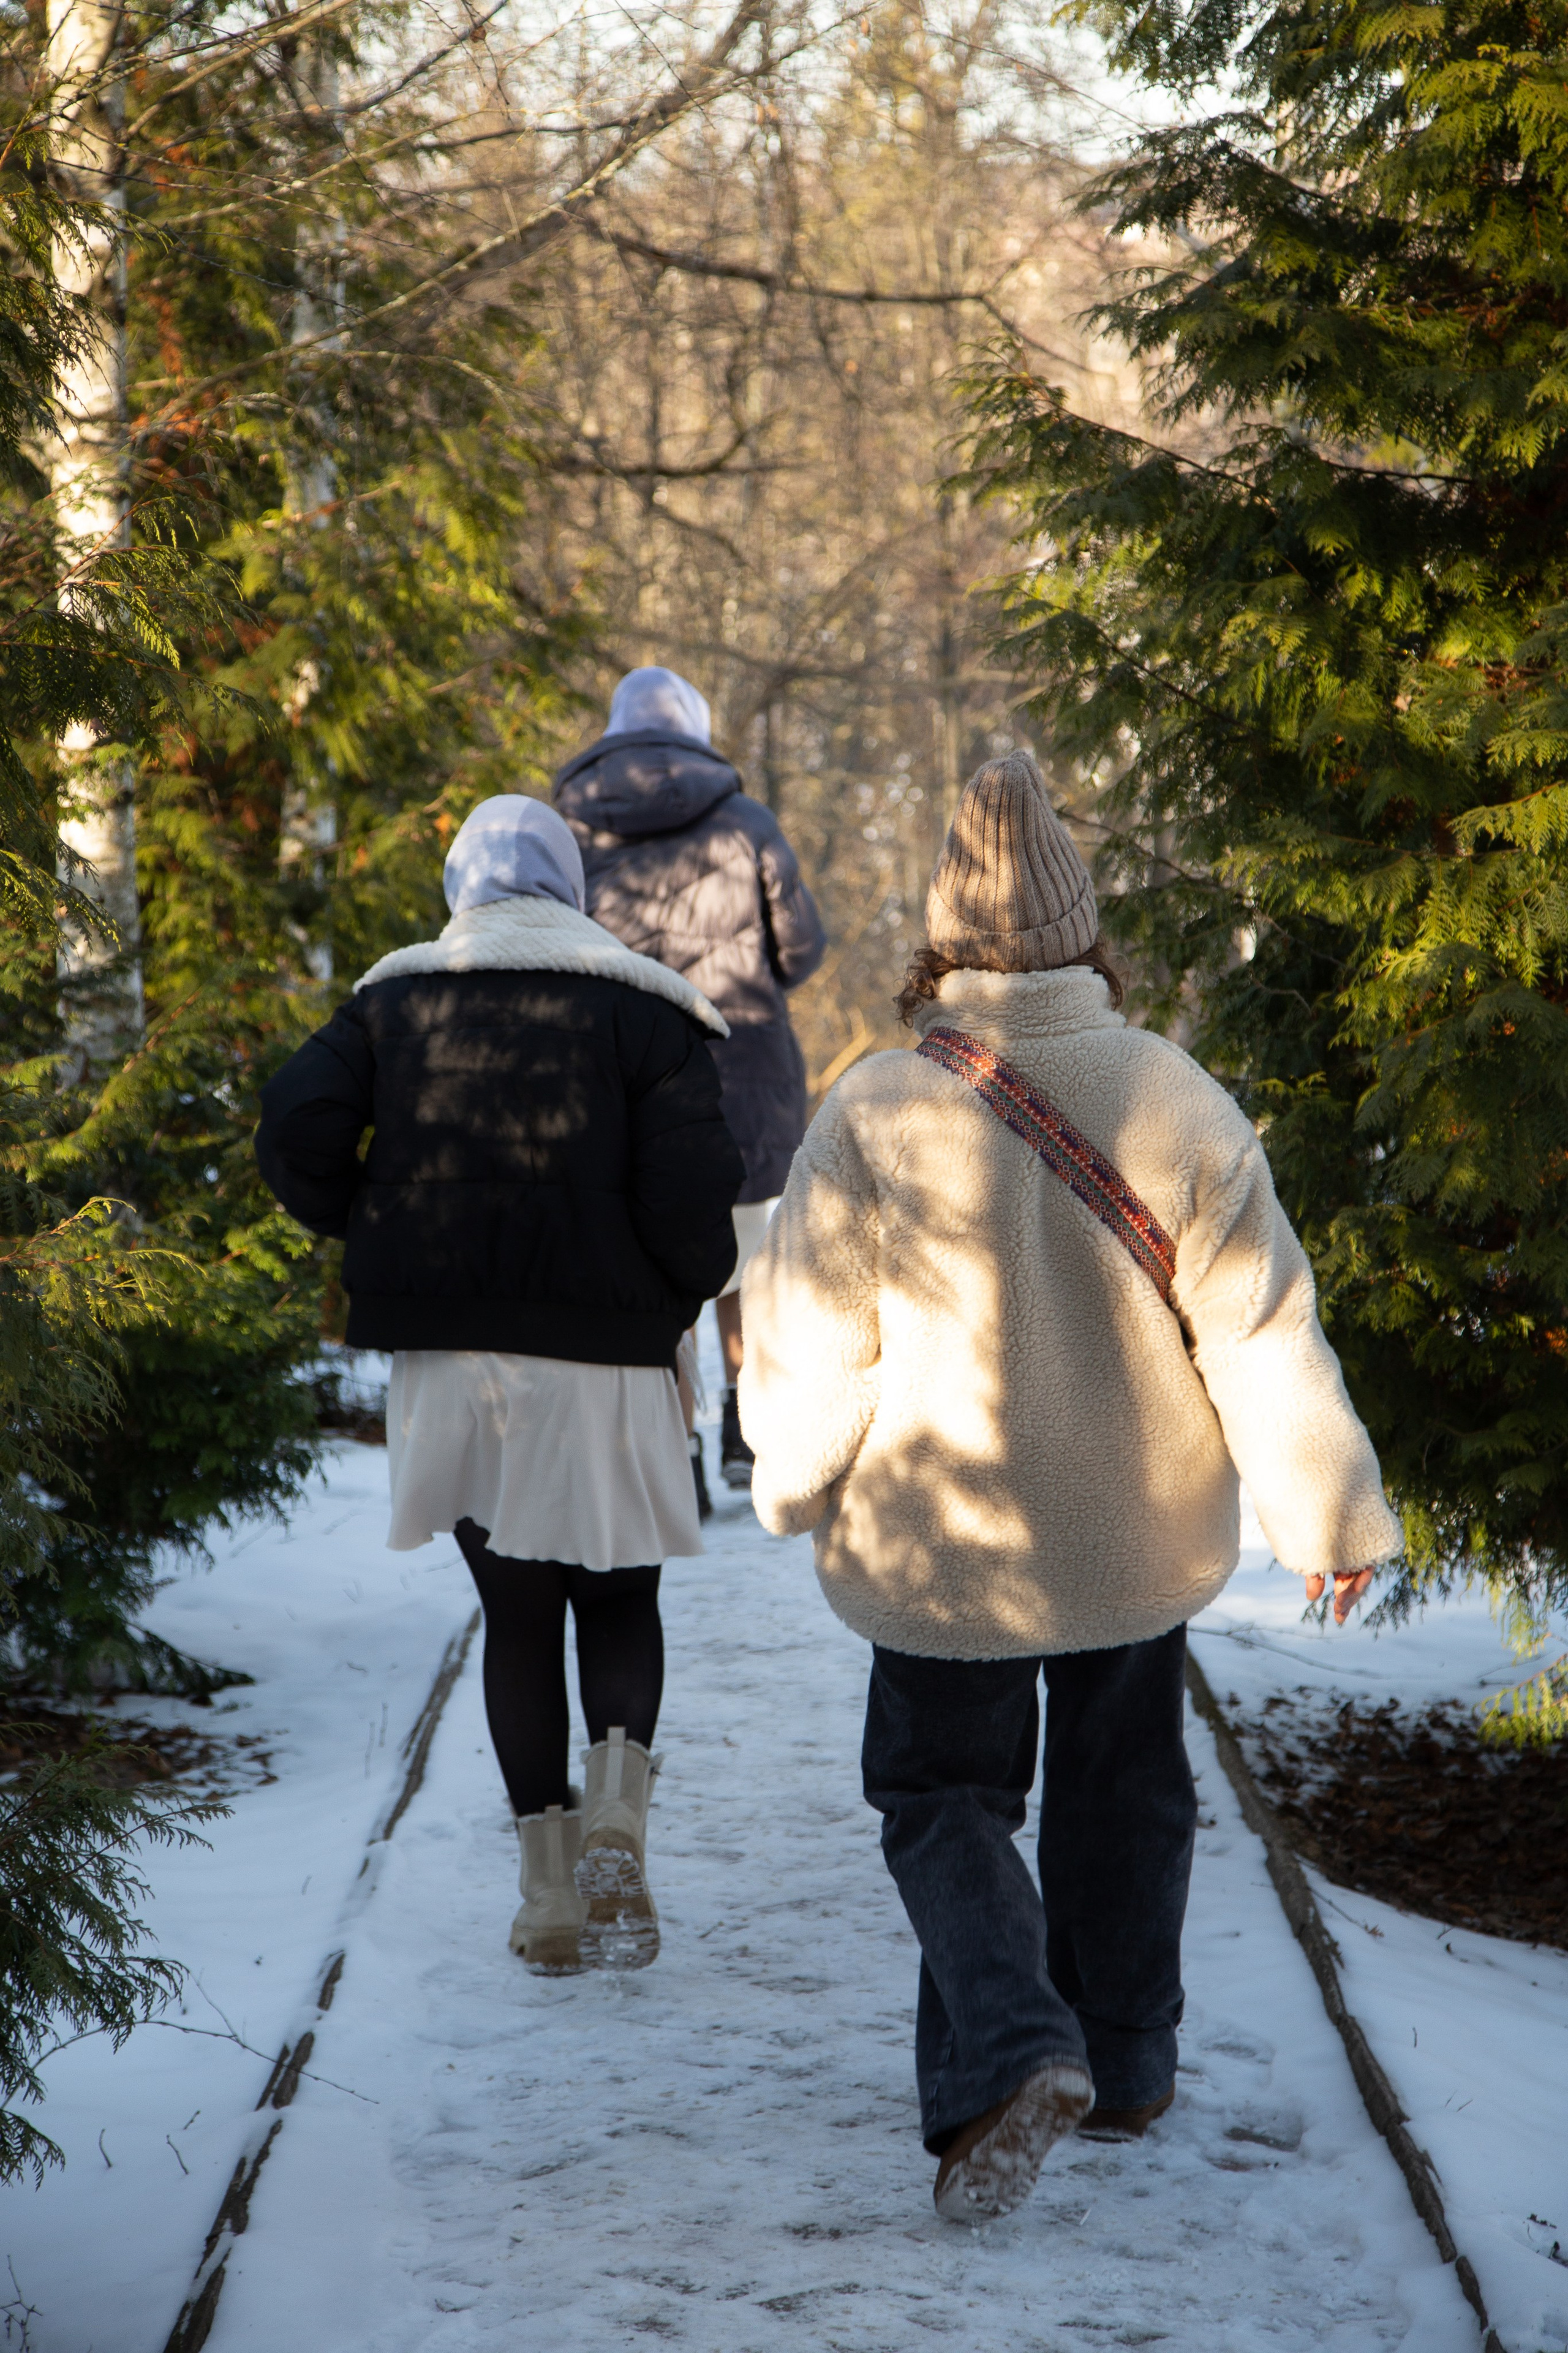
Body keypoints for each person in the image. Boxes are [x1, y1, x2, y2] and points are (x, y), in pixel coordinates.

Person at [737, 750, 1400, 2222]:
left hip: (941, 1544)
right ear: (1082, 928)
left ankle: (1008, 2044)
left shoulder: (872, 1110)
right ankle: (1125, 2056)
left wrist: (790, 1479)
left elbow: (810, 1342)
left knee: (938, 1792)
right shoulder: (1171, 1093)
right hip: (1127, 1534)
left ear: (944, 938)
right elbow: (1260, 1327)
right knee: (1124, 1782)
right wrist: (1329, 1514)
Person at [255, 796, 744, 1974]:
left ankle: (546, 1901)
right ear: (572, 889)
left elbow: (292, 1128)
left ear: (461, 887)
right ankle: (619, 1810)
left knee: (518, 1620)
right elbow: (697, 1207)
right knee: (620, 1598)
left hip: (456, 1363)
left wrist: (382, 1223)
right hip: (612, 1363)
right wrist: (677, 1287)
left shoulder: (392, 1002)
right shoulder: (647, 1008)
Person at [554, 667, 825, 1493]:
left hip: (629, 1087)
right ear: (698, 732)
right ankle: (745, 1427)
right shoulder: (745, 820)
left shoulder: (570, 829)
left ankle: (677, 1448)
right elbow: (802, 947)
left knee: (658, 1267)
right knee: (740, 1261)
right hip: (742, 1078)